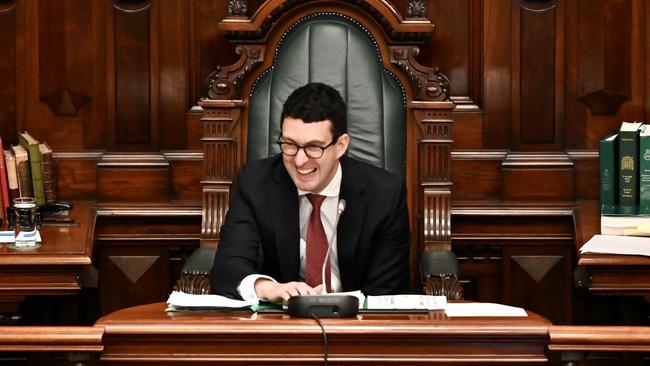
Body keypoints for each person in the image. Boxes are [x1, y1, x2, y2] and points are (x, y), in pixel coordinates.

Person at [209, 82, 410, 302]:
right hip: (282, 325)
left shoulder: (384, 194)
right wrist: (268, 288)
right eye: (290, 144)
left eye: (314, 147)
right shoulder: (256, 183)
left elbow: (387, 291)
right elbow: (228, 267)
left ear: (341, 145)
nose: (300, 160)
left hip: (357, 327)